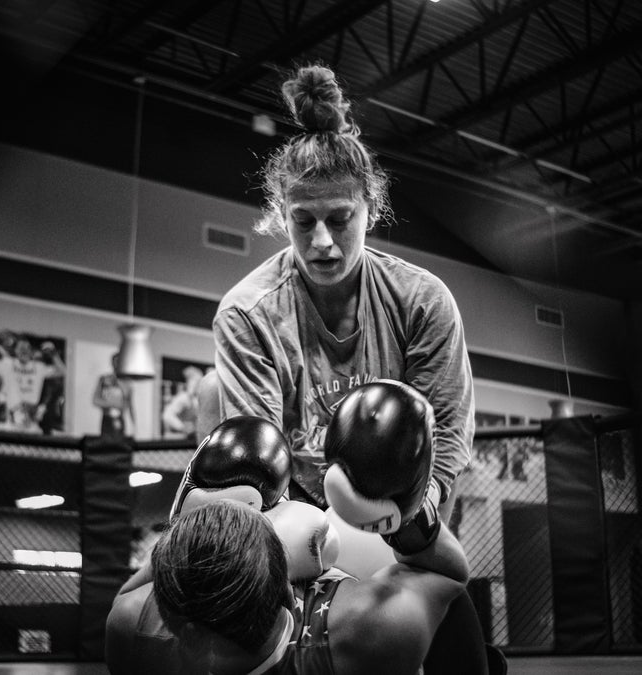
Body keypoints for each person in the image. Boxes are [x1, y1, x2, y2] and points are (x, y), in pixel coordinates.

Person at [211, 64, 473, 516]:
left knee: (448, 572)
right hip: (294, 508)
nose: (322, 242)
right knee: (207, 390)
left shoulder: (422, 301)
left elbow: (446, 432)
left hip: (399, 503)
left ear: (370, 210)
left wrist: (414, 515)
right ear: (281, 214)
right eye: (303, 220)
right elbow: (259, 462)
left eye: (339, 219)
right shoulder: (247, 313)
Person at [106, 410, 471, 675]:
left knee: (210, 387)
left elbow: (132, 596)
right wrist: (404, 515)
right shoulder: (364, 633)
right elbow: (447, 577)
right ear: (287, 587)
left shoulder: (133, 630)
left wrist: (188, 528)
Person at [94, 352, 134, 438]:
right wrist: (111, 404)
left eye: (119, 362)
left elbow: (129, 405)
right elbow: (96, 400)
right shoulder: (104, 379)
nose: (117, 365)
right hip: (107, 418)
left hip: (119, 419)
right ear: (112, 363)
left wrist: (134, 426)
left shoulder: (127, 382)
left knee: (119, 446)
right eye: (115, 362)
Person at [162, 366, 206, 439]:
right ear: (191, 383)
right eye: (198, 382)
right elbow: (167, 416)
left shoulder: (195, 400)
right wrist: (182, 427)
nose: (200, 385)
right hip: (178, 439)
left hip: (190, 438)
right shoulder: (183, 398)